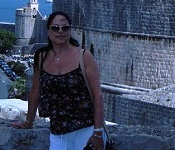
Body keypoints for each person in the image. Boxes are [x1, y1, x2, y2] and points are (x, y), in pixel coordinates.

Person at [12, 11, 105, 150]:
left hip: (86, 130)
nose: (60, 31)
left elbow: (97, 95)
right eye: (55, 28)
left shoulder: (84, 56)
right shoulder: (41, 56)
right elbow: (35, 91)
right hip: (57, 132)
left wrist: (97, 132)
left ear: (70, 30)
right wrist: (28, 122)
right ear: (48, 31)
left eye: (65, 28)